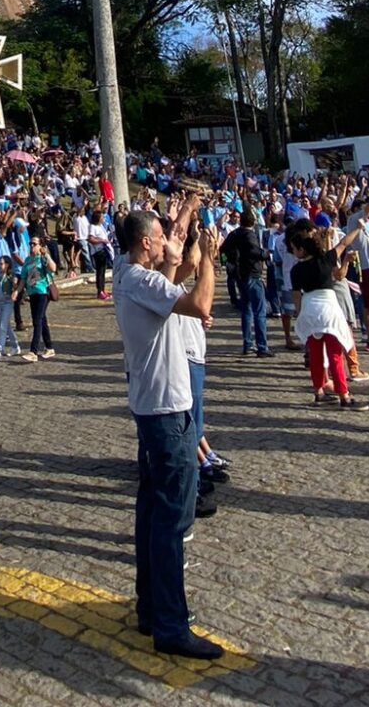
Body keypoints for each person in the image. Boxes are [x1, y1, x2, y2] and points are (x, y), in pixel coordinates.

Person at [111, 206, 223, 661]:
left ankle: (151, 607)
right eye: (159, 238)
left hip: (149, 405)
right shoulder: (144, 281)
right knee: (173, 519)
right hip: (167, 409)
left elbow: (169, 280)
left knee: (151, 510)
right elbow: (200, 304)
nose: (165, 244)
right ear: (144, 244)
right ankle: (171, 624)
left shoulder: (126, 272)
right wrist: (210, 258)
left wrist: (176, 249)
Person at [289, 219, 369, 411]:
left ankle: (319, 392)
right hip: (329, 309)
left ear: (301, 250)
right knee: (334, 355)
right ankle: (344, 395)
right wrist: (358, 228)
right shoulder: (326, 258)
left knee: (316, 354)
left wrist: (300, 316)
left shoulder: (296, 269)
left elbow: (296, 297)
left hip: (310, 309)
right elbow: (344, 243)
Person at [221, 208, 271, 356]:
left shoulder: (234, 234)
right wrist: (265, 254)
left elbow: (223, 249)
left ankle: (247, 343)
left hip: (240, 275)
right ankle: (262, 347)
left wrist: (228, 263)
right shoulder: (249, 235)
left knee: (246, 311)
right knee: (259, 312)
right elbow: (253, 251)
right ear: (253, 221)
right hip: (252, 274)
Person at [16, 234, 57, 360]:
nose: (32, 246)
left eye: (34, 244)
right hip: (32, 293)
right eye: (30, 244)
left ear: (40, 246)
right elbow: (23, 278)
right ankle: (49, 347)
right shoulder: (28, 260)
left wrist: (46, 255)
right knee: (42, 319)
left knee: (37, 321)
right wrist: (17, 292)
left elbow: (53, 268)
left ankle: (33, 351)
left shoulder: (42, 258)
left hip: (42, 292)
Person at [88, 209, 113, 299]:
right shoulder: (93, 227)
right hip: (98, 251)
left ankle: (103, 289)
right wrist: (102, 240)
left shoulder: (101, 226)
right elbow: (91, 239)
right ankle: (100, 291)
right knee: (100, 271)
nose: (103, 218)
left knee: (103, 271)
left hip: (104, 250)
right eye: (102, 217)